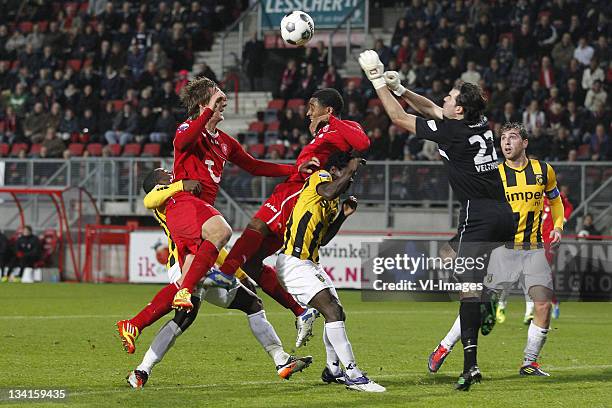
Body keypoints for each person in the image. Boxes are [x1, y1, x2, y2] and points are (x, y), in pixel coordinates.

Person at [359, 50, 515, 390]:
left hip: (480, 215)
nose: (444, 98)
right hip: (502, 213)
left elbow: (399, 119)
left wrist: (376, 80)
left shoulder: (453, 133)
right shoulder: (477, 124)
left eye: (451, 96)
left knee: (468, 292)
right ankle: (485, 295)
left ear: (459, 109)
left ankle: (471, 363)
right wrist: (402, 88)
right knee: (449, 255)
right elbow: (431, 109)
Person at [125, 171, 312, 388]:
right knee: (184, 315)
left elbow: (211, 245)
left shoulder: (181, 199)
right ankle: (137, 337)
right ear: (159, 182)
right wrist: (181, 185)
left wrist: (240, 274)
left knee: (249, 304)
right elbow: (150, 198)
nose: (171, 173)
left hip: (202, 263)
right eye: (165, 173)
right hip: (185, 263)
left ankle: (281, 359)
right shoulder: (165, 196)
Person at [214, 88, 370, 347]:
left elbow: (363, 144)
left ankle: (225, 273)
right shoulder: (322, 133)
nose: (308, 112)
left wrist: (332, 122)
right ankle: (301, 311)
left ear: (328, 110)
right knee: (252, 262)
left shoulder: (342, 126)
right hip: (294, 185)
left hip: (301, 190)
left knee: (257, 226)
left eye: (312, 106)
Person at [429, 123, 565, 378]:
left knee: (543, 305)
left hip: (534, 250)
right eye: (503, 138)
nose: (506, 142)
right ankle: (444, 347)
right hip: (501, 251)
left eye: (512, 137)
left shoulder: (543, 170)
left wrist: (557, 226)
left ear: (525, 143)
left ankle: (529, 362)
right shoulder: (493, 175)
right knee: (478, 306)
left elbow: (555, 200)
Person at [275, 151, 385, 392]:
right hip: (294, 262)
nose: (351, 179)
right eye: (347, 173)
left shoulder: (331, 201)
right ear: (335, 170)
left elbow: (323, 239)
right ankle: (354, 375)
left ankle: (333, 370)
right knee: (332, 311)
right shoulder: (320, 177)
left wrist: (343, 216)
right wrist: (351, 168)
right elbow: (329, 189)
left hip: (310, 263)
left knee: (338, 313)